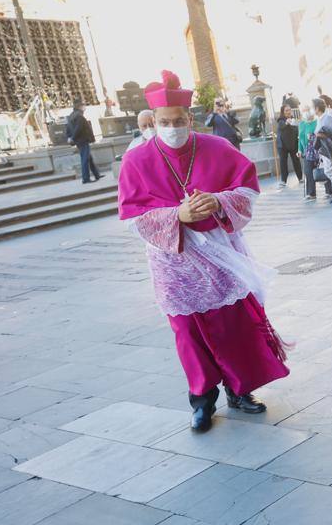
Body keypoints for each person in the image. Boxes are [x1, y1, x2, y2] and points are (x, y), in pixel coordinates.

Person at [117, 70, 289, 431]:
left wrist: (218, 201)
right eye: (165, 122)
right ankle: (202, 400)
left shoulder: (217, 148)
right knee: (188, 333)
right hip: (174, 263)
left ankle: (241, 391)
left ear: (190, 118)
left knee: (234, 325)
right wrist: (176, 215)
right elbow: (133, 216)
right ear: (154, 122)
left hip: (220, 254)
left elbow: (247, 191)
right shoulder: (136, 160)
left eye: (179, 121)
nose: (173, 127)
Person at [66, 98, 101, 184]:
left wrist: (70, 137)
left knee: (89, 158)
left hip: (79, 141)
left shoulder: (71, 115)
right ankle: (85, 178)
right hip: (83, 140)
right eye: (83, 105)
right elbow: (79, 128)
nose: (84, 107)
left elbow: (67, 129)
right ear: (80, 106)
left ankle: (97, 175)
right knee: (85, 159)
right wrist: (72, 138)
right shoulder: (79, 116)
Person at [275, 104, 302, 189]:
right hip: (283, 145)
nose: (288, 112)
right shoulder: (280, 120)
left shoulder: (294, 119)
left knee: (296, 161)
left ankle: (300, 178)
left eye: (289, 110)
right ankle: (283, 180)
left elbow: (298, 129)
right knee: (283, 163)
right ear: (283, 112)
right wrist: (287, 122)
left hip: (293, 144)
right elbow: (282, 126)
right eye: (286, 110)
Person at [297, 103, 319, 201]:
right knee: (308, 171)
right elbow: (300, 138)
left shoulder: (317, 122)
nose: (306, 112)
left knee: (323, 169)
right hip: (307, 151)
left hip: (317, 149)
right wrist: (299, 150)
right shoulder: (301, 124)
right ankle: (311, 193)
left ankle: (329, 190)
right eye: (304, 110)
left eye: (308, 109)